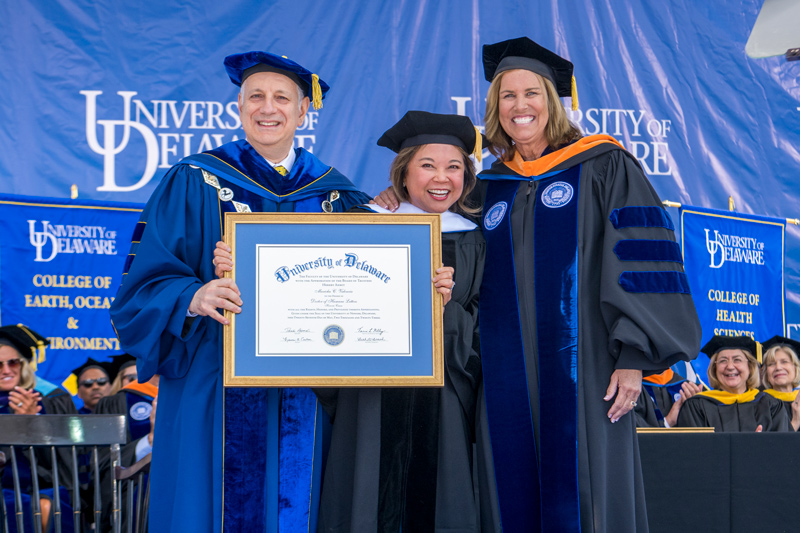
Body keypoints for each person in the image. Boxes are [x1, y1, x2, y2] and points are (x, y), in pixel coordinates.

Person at [375, 37, 701, 532]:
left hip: (586, 368)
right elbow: (444, 227)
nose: (519, 106)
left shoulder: (604, 166)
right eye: (507, 96)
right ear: (495, 107)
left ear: (552, 101)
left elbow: (643, 258)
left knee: (585, 494)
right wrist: (397, 197)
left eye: (531, 93)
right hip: (503, 374)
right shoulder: (491, 187)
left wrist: (634, 358)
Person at [109, 50, 371, 532]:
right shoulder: (194, 180)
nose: (267, 108)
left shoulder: (338, 196)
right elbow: (141, 286)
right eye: (255, 96)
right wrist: (195, 295)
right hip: (214, 375)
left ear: (302, 112)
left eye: (281, 98)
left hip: (309, 390)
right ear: (238, 107)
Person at [312, 111, 485, 531]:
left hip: (443, 400)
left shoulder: (473, 238)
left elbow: (484, 325)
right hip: (370, 397)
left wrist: (447, 313)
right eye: (427, 165)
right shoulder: (363, 224)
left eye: (454, 167)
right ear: (402, 174)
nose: (441, 178)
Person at [1, 325, 76, 533]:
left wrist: (32, 421)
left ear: (23, 365)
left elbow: (62, 462)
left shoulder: (47, 402)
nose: (6, 370)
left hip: (38, 486)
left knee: (47, 505)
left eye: (13, 362)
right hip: (4, 487)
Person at [677, 335, 789, 432]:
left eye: (737, 360)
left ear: (750, 367)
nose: (730, 366)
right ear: (714, 369)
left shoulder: (771, 406)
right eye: (723, 361)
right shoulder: (697, 407)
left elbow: (783, 450)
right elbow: (692, 451)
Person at [759, 335, 800, 431]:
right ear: (765, 372)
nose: (778, 367)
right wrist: (796, 421)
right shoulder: (761, 404)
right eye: (771, 364)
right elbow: (774, 444)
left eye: (784, 362)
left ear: (795, 368)